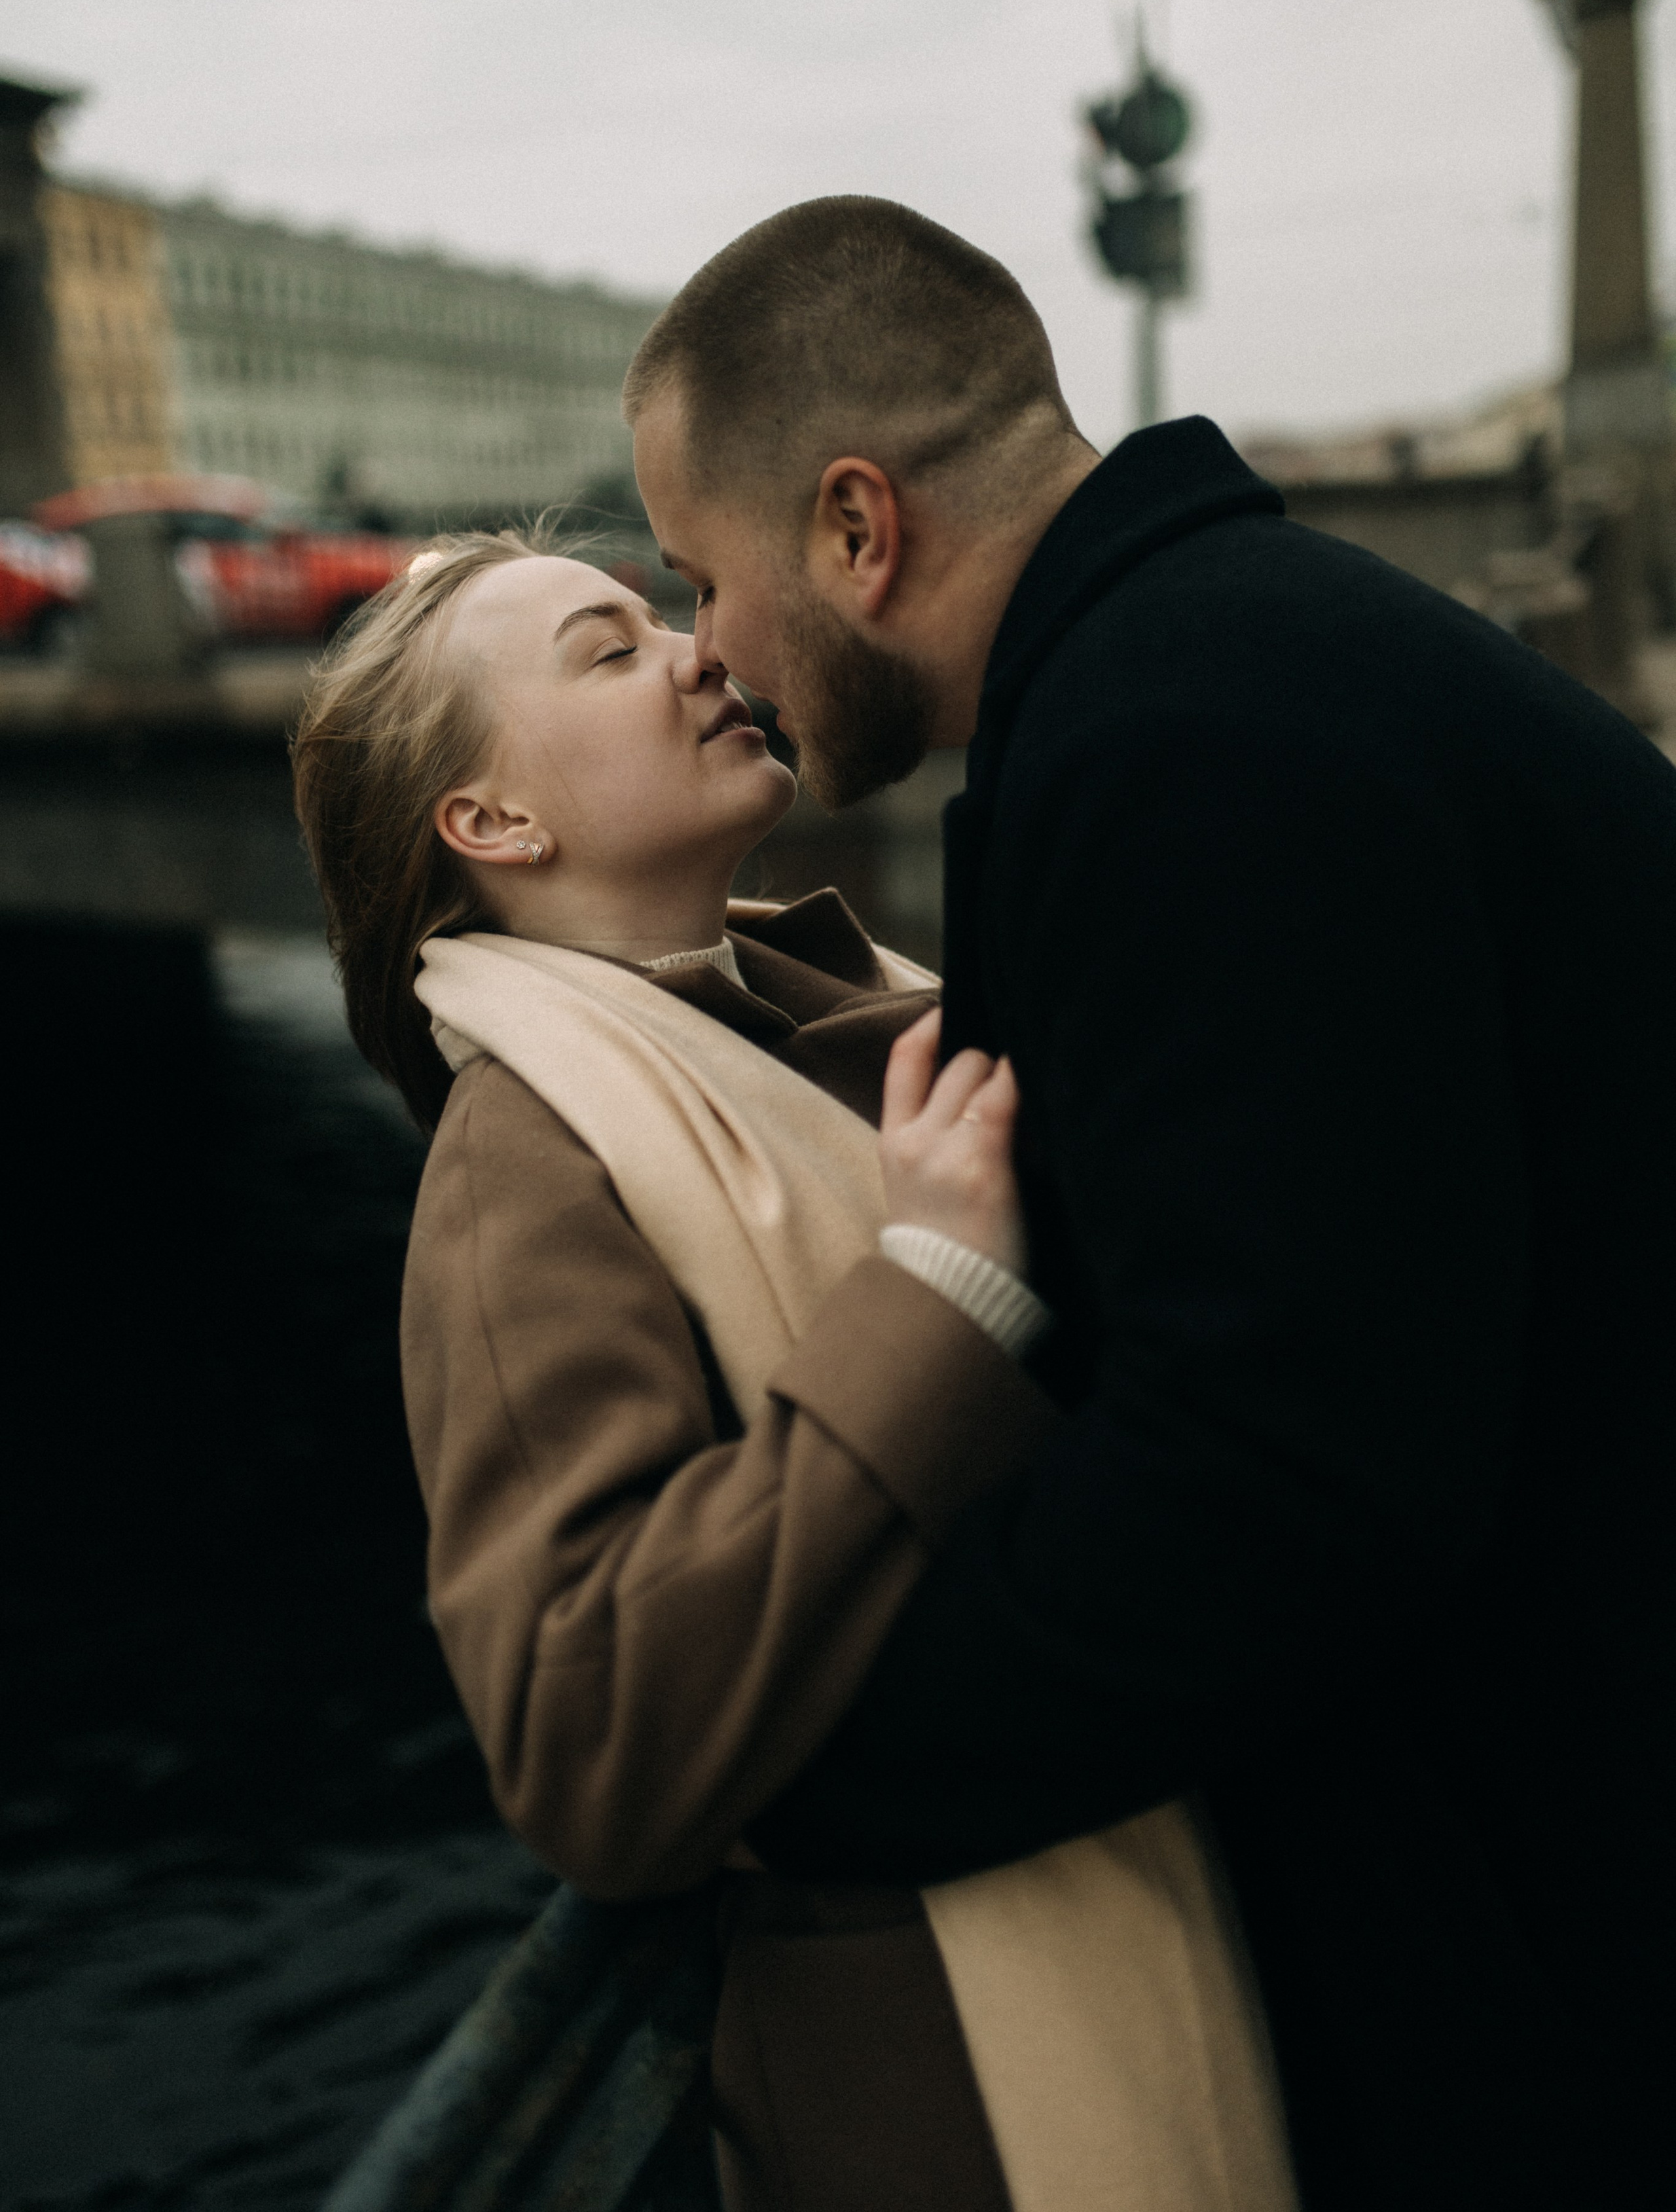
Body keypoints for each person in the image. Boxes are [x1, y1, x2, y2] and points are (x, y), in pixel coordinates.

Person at [623, 195, 1676, 2211]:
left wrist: (812, 1775)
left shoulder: (1185, 741)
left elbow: (1287, 1474)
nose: (710, 654)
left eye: (703, 578)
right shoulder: (1234, 659)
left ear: (857, 528)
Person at [291, 534, 1296, 2212]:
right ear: (492, 825)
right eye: (605, 653)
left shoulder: (826, 1010)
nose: (697, 653)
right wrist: (936, 1296)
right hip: (952, 2094)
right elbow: (583, 1736)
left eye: (663, 618)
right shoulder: (520, 1169)